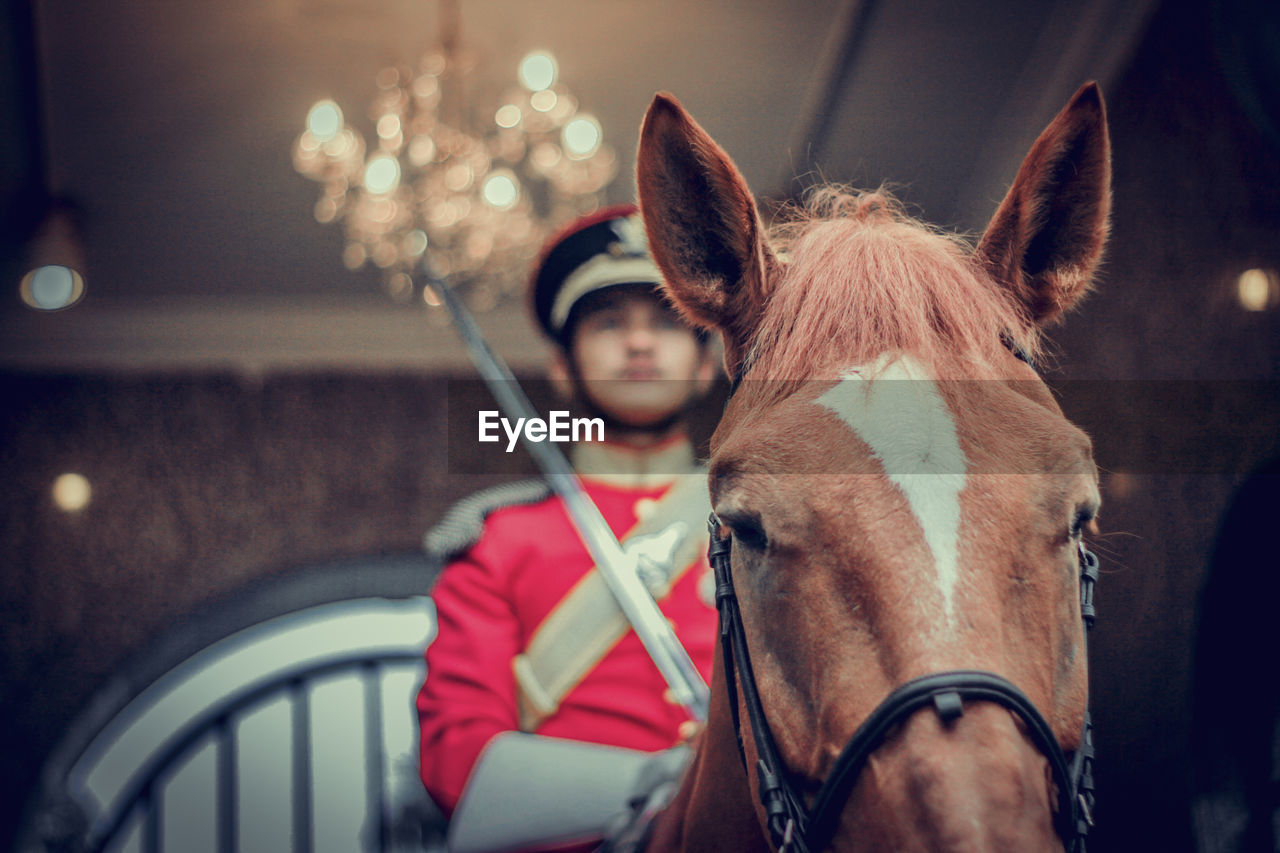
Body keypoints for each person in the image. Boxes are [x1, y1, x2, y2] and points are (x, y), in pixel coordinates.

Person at [416, 205, 718, 851]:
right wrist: (653, 784)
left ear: (705, 361)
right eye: (609, 323)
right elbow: (458, 757)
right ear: (563, 365)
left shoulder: (760, 523)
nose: (638, 343)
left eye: (666, 321)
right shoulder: (499, 538)